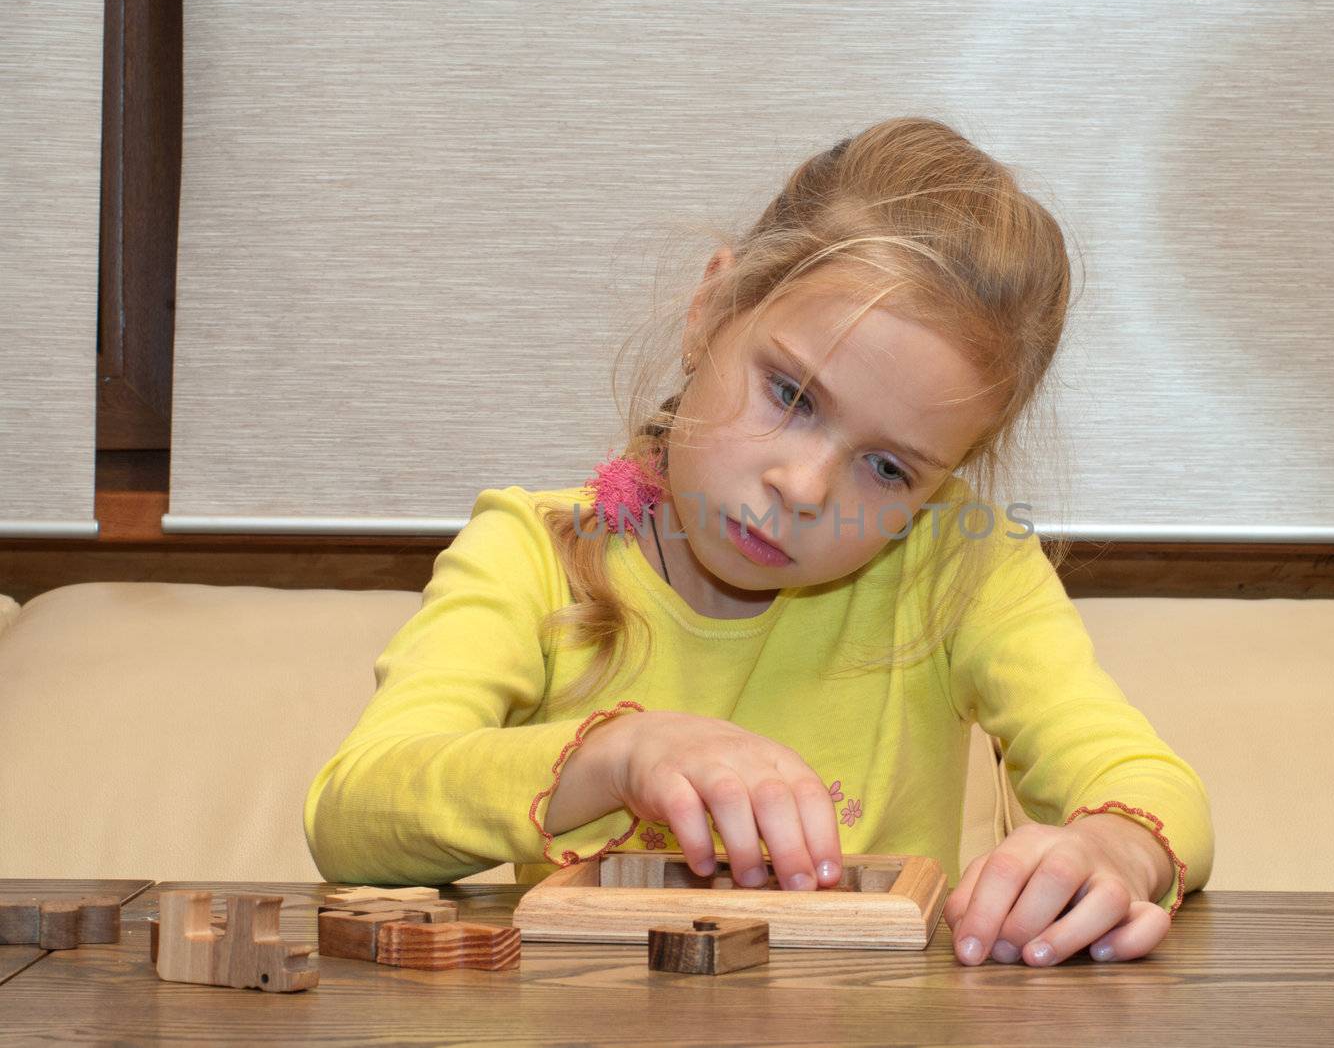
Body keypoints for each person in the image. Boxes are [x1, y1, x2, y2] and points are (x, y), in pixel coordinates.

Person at [304, 117, 1213, 968]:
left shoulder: (963, 567)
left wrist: (1112, 849)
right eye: (791, 394)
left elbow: (1146, 781)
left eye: (890, 469)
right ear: (710, 309)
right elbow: (354, 809)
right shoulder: (534, 548)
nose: (804, 487)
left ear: (947, 477)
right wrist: (619, 753)